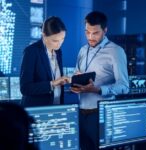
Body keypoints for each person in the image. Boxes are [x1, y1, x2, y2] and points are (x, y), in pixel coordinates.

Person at [71, 11, 129, 150]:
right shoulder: (82, 50)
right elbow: (76, 74)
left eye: (95, 33)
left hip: (101, 115)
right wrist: (75, 84)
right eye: (87, 32)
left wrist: (98, 89)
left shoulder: (116, 51)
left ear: (105, 30)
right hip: (81, 113)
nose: (90, 37)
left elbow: (124, 86)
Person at [20, 16, 69, 107]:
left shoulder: (58, 51)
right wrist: (52, 84)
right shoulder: (31, 52)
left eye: (62, 39)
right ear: (44, 35)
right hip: (37, 109)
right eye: (55, 40)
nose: (59, 44)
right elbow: (25, 88)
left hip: (57, 106)